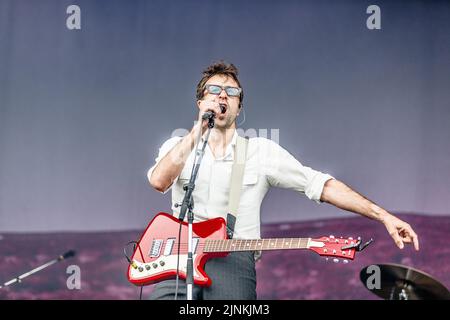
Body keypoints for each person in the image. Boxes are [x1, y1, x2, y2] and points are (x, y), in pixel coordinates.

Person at [146, 61, 419, 300]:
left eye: (232, 92)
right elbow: (159, 181)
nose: (222, 97)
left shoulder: (260, 151)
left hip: (233, 259)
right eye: (214, 90)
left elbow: (318, 184)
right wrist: (197, 130)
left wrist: (382, 215)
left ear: (239, 107)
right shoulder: (177, 145)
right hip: (176, 259)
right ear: (200, 102)